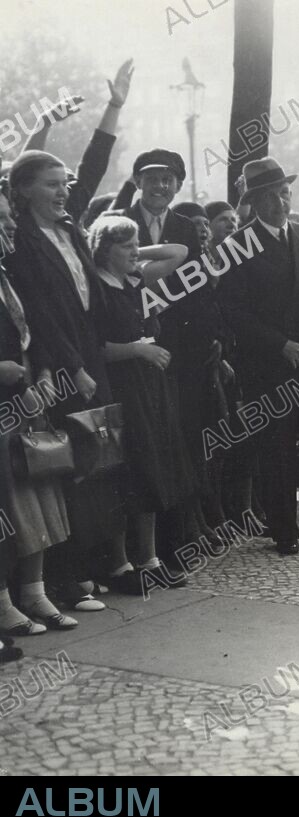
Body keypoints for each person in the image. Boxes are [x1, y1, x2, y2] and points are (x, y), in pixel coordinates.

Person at [7, 64, 135, 613]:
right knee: (56, 467)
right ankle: (60, 581)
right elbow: (42, 312)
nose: (65, 191)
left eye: (66, 186)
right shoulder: (24, 238)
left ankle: (88, 568)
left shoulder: (67, 225)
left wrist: (114, 107)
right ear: (24, 194)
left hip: (89, 357)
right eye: (53, 185)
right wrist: (40, 127)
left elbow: (94, 163)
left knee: (94, 460)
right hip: (56, 366)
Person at [217, 158, 299, 556]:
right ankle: (283, 529)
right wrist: (279, 345)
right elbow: (233, 311)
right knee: (278, 446)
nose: (280, 202)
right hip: (269, 364)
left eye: (284, 192)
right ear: (254, 201)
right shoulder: (239, 245)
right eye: (269, 195)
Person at [88, 215, 195, 593]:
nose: (136, 253)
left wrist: (133, 247)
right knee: (123, 475)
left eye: (136, 246)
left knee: (153, 469)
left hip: (149, 387)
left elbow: (178, 252)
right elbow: (94, 350)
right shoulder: (96, 288)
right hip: (120, 389)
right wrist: (136, 351)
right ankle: (119, 564)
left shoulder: (133, 280)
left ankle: (149, 559)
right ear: (104, 252)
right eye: (126, 247)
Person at [126, 149, 222, 551]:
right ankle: (142, 546)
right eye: (152, 179)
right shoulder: (119, 222)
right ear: (138, 183)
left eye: (168, 179)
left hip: (180, 349)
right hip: (133, 348)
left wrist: (203, 346)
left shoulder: (184, 227)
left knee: (183, 437)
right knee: (142, 443)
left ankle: (183, 531)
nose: (160, 186)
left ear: (177, 185)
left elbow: (198, 289)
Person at [1, 180, 74, 637]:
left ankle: (34, 592)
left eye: (9, 217)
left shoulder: (8, 277)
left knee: (35, 497)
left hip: (27, 405)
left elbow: (31, 337)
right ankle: (4, 601)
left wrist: (44, 374)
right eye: (2, 221)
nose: (11, 226)